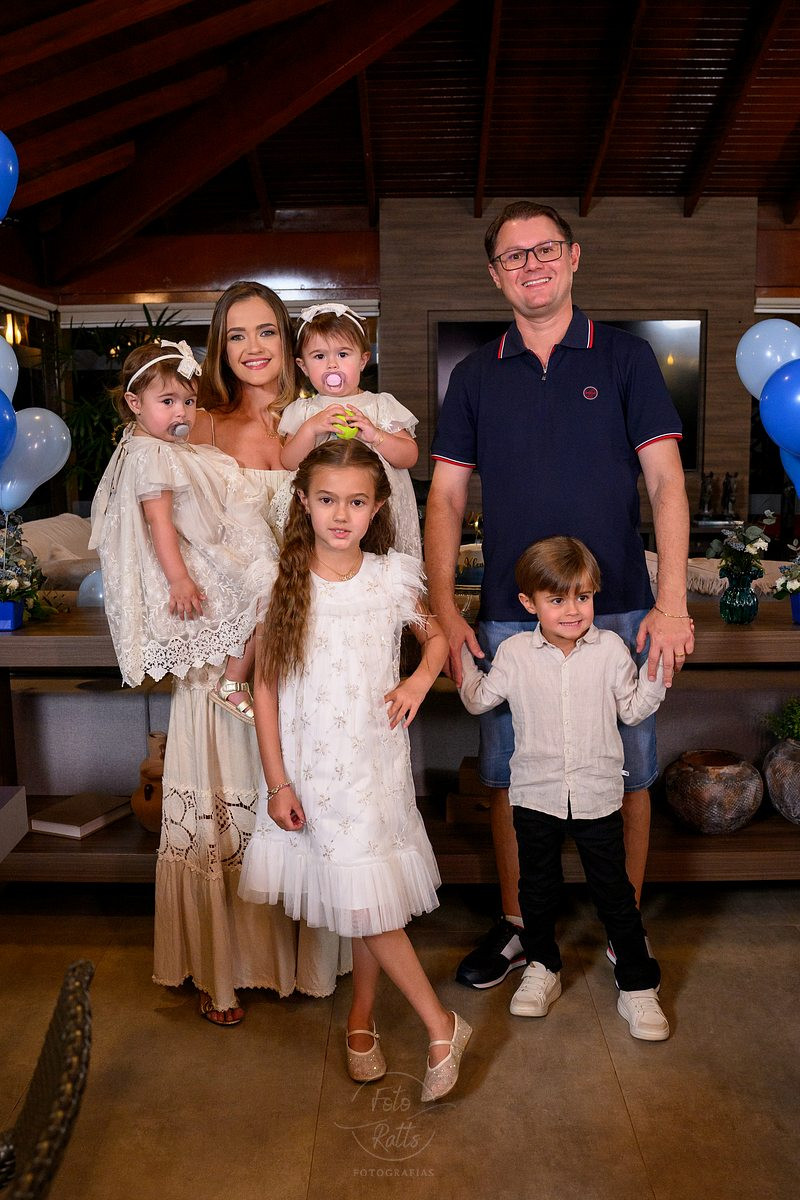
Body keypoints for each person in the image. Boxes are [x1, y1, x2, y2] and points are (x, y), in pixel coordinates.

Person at [425, 200, 694, 989]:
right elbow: (444, 499)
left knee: (629, 774)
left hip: (621, 607)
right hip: (510, 617)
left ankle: (625, 929)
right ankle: (520, 925)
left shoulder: (626, 359)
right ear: (495, 275)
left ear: (573, 257)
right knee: (510, 776)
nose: (531, 265)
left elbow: (666, 484)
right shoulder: (474, 375)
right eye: (514, 256)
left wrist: (671, 602)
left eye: (545, 249)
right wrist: (445, 611)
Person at [239, 439, 471, 1100]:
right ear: (304, 502)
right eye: (327, 499)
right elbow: (263, 689)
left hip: (375, 763)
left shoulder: (391, 577)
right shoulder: (279, 582)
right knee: (364, 895)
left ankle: (393, 1023)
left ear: (377, 507)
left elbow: (436, 638)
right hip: (313, 769)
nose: (341, 515)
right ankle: (414, 1023)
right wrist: (278, 781)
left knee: (371, 894)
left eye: (357, 502)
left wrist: (419, 681)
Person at [154, 283, 349, 1027]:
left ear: (288, 338)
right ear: (218, 347)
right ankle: (223, 965)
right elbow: (161, 520)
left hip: (304, 636)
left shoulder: (321, 413)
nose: (253, 348)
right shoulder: (197, 422)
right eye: (236, 335)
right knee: (226, 797)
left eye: (266, 330)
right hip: (223, 644)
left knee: (303, 791)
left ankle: (307, 960)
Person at [459, 537, 669, 1040]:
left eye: (583, 597)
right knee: (537, 889)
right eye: (557, 599)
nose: (573, 611)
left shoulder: (611, 650)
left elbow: (632, 710)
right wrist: (459, 655)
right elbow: (479, 699)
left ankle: (637, 983)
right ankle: (542, 966)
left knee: (614, 892)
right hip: (536, 795)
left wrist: (657, 673)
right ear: (529, 603)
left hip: (598, 796)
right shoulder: (514, 654)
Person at [90, 340, 275, 719]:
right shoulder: (153, 454)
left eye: (189, 401)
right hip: (183, 561)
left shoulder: (149, 444)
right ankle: (233, 681)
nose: (182, 412)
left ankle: (234, 677)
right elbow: (158, 521)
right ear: (134, 403)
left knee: (267, 580)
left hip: (193, 544)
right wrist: (179, 580)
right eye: (168, 401)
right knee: (267, 584)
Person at [279, 302, 422, 558]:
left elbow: (409, 456)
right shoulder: (303, 411)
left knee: (379, 561)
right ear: (303, 366)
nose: (332, 365)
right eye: (319, 356)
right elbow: (289, 462)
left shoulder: (380, 405)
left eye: (343, 355)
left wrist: (376, 435)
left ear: (363, 360)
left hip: (376, 511)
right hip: (327, 515)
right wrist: (311, 429)